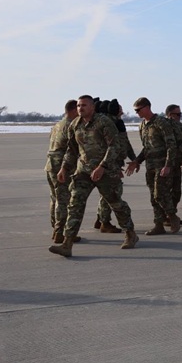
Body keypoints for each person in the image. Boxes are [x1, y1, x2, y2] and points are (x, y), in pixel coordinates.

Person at [49, 95, 137, 256]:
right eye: (78, 106)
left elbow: (114, 146)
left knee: (116, 204)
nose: (80, 108)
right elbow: (71, 150)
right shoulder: (75, 125)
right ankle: (67, 244)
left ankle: (130, 234)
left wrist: (102, 166)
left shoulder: (104, 122)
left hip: (106, 172)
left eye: (84, 105)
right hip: (83, 172)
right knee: (75, 205)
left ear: (92, 107)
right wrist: (64, 168)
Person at [127, 97, 181, 235]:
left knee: (160, 194)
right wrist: (137, 161)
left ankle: (172, 216)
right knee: (153, 196)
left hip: (162, 165)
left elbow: (171, 145)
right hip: (150, 165)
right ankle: (159, 225)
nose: (137, 113)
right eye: (135, 110)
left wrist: (168, 165)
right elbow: (147, 148)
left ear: (147, 107)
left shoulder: (161, 123)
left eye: (138, 110)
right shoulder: (142, 125)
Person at [94, 99, 137, 234]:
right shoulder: (114, 123)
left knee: (104, 193)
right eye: (120, 109)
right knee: (112, 193)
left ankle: (100, 219)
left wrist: (134, 159)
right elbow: (119, 145)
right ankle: (104, 222)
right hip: (109, 164)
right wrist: (117, 165)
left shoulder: (102, 121)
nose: (123, 112)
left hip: (102, 163)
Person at [46, 99, 79, 243]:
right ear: (72, 110)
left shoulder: (57, 125)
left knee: (55, 198)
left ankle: (55, 229)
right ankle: (61, 232)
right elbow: (74, 147)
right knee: (63, 200)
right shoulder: (71, 126)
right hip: (62, 167)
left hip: (50, 165)